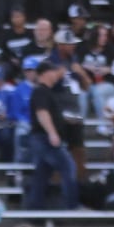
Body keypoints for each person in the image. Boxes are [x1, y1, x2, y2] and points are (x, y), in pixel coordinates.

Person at [27, 61, 79, 210]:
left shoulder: (47, 92)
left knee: (42, 175)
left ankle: (35, 208)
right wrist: (52, 133)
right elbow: (42, 113)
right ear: (44, 73)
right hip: (44, 139)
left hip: (43, 138)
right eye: (53, 71)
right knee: (68, 167)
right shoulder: (41, 91)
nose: (56, 75)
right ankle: (71, 206)